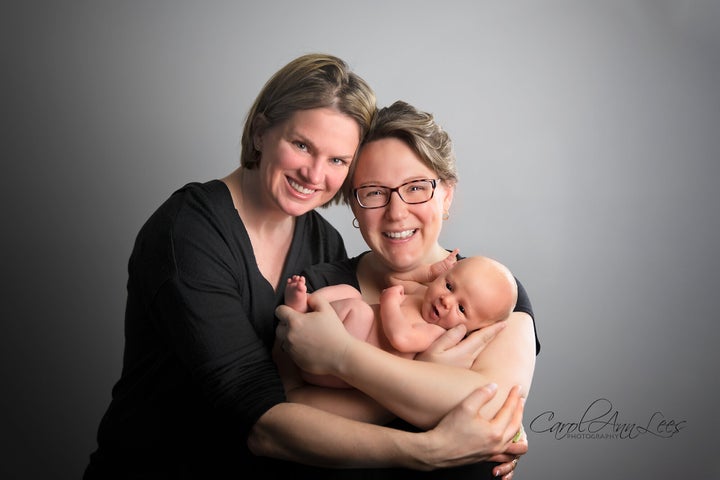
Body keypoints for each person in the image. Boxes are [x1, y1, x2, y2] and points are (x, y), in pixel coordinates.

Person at [84, 55, 527, 480]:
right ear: (260, 132)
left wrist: (485, 417)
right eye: (302, 145)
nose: (315, 174)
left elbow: (490, 411)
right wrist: (432, 444)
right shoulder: (190, 232)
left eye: (337, 160)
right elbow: (265, 415)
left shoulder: (321, 243)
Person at [275, 100, 540, 479]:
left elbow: (492, 411)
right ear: (354, 202)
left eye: (416, 187)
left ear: (446, 194)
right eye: (374, 192)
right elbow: (286, 420)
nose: (396, 212)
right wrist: (428, 377)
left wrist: (342, 356)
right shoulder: (321, 286)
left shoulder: (493, 291)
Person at [284, 253, 518, 388]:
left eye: (461, 308)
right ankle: (304, 306)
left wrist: (388, 302)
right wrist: (426, 274)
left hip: (335, 371)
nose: (446, 300)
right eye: (448, 285)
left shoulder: (435, 333)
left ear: (476, 328)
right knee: (350, 291)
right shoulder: (421, 292)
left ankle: (306, 317)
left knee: (362, 311)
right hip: (321, 337)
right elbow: (393, 279)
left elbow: (401, 338)